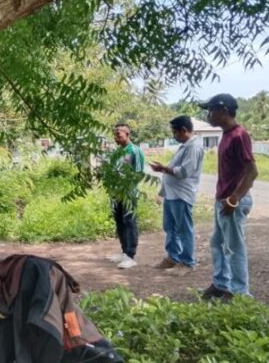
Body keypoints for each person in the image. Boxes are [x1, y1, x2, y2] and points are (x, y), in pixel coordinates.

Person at [198, 93, 258, 300]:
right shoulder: (226, 134)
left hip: (233, 201)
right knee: (217, 243)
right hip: (223, 200)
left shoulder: (239, 135)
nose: (208, 115)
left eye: (211, 110)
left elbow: (252, 171)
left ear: (224, 111)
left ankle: (240, 293)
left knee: (234, 247)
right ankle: (221, 284)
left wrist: (235, 198)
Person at [149, 115, 204, 276]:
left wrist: (163, 169)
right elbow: (174, 169)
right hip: (172, 194)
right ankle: (173, 257)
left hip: (182, 195)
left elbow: (185, 172)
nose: (174, 136)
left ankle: (187, 262)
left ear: (184, 130)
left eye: (175, 132)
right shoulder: (185, 146)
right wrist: (162, 191)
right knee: (170, 227)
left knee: (183, 229)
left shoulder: (193, 147)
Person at [107, 123, 145, 269]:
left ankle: (130, 255)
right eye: (115, 135)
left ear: (127, 134)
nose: (116, 137)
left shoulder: (135, 151)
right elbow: (111, 172)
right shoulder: (116, 152)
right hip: (115, 194)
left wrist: (125, 189)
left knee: (129, 222)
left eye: (119, 135)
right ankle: (124, 252)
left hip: (129, 194)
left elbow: (139, 173)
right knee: (120, 222)